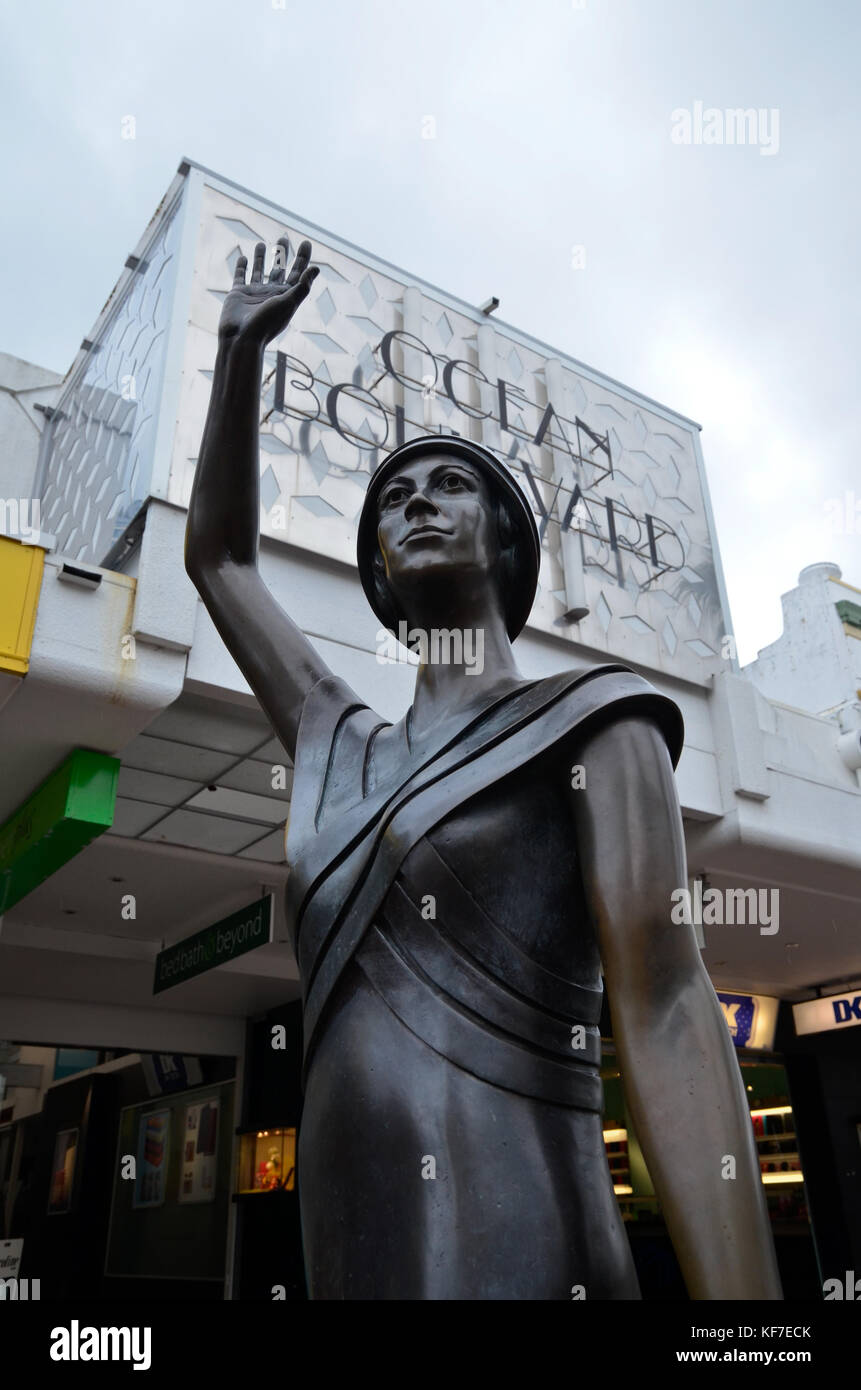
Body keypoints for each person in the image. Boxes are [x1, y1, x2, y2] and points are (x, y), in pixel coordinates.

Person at [185, 236, 782, 1300]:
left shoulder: (596, 722)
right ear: (373, 567)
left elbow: (666, 1005)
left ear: (506, 543)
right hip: (346, 1229)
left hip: (516, 1233)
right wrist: (237, 358)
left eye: (448, 485)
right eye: (393, 499)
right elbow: (220, 561)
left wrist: (750, 1322)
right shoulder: (339, 742)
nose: (414, 502)